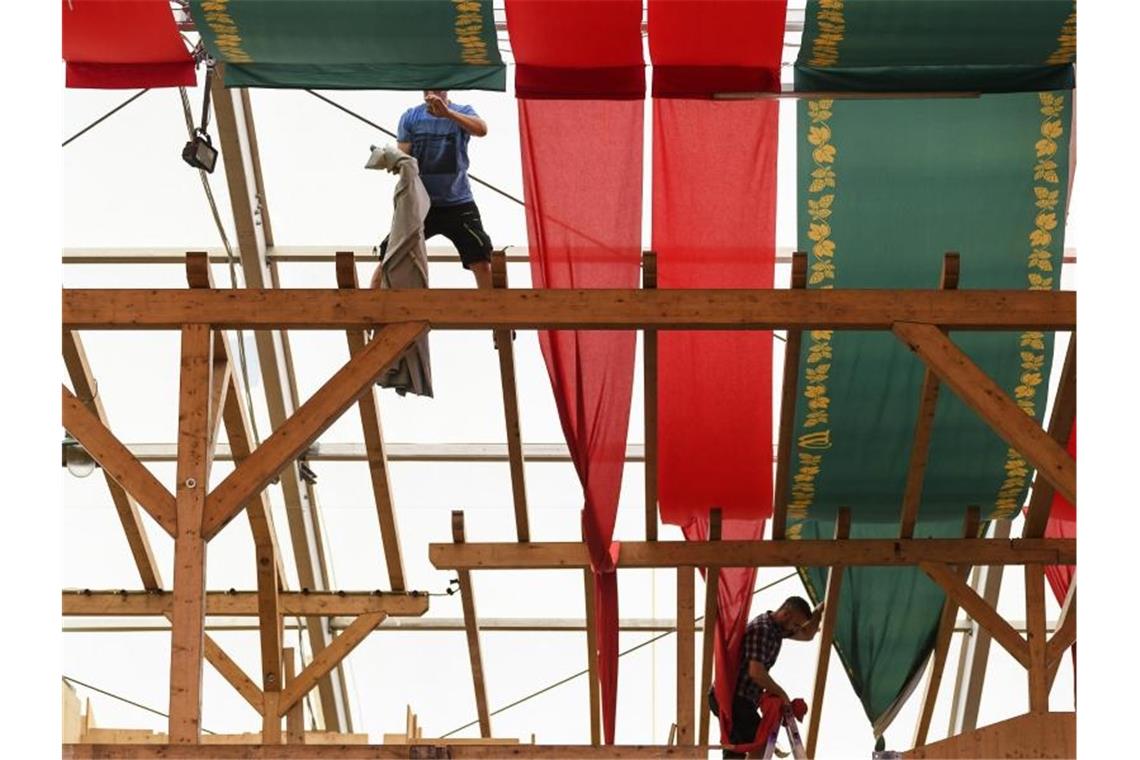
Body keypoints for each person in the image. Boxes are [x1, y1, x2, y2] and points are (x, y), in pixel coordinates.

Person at [374, 89, 493, 289]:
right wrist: (391, 160)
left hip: (458, 201)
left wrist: (447, 114)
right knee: (389, 255)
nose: (435, 92)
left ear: (447, 89)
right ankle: (371, 306)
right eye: (430, 88)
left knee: (481, 258)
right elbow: (404, 155)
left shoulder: (463, 110)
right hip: (420, 203)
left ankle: (496, 314)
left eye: (440, 88)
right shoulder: (411, 116)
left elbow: (481, 130)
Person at [709, 596, 823, 759]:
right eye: (796, 624)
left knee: (737, 750)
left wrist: (818, 612)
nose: (796, 628)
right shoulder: (763, 630)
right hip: (734, 698)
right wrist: (782, 694)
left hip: (738, 699)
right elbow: (756, 672)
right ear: (786, 614)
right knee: (761, 742)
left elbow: (807, 634)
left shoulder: (779, 629)